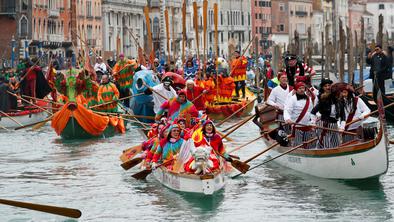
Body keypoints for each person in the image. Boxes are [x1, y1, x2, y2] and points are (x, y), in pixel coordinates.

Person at [311, 78, 341, 148]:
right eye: (325, 86)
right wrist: (313, 122)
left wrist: (340, 125)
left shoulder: (336, 98)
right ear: (322, 87)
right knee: (325, 144)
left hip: (334, 124)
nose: (327, 87)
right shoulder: (319, 98)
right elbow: (314, 111)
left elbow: (339, 113)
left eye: (329, 85)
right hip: (323, 122)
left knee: (336, 144)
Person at [284, 82, 314, 148]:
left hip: (307, 125)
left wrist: (313, 121)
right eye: (300, 88)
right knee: (298, 145)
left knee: (308, 144)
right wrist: (287, 119)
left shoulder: (308, 98)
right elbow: (287, 110)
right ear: (296, 89)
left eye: (303, 88)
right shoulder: (292, 99)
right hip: (297, 126)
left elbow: (312, 111)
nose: (302, 90)